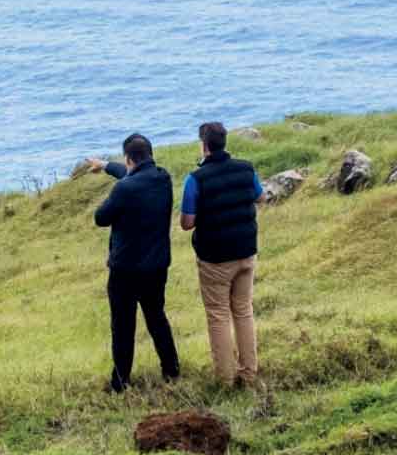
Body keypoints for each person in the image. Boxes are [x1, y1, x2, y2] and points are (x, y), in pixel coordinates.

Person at [88, 134, 180, 392]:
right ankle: (171, 371)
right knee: (156, 318)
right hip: (156, 266)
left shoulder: (124, 189)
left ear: (129, 159)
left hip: (125, 270)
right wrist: (105, 165)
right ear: (150, 155)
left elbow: (101, 218)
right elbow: (129, 175)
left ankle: (121, 381)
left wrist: (114, 186)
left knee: (123, 326)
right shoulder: (163, 179)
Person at [179, 122, 266, 387]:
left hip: (215, 258)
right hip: (246, 252)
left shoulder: (196, 179)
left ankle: (226, 379)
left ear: (204, 145)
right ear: (224, 142)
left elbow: (187, 222)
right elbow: (261, 198)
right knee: (243, 311)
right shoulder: (246, 169)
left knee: (218, 315)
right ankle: (249, 373)